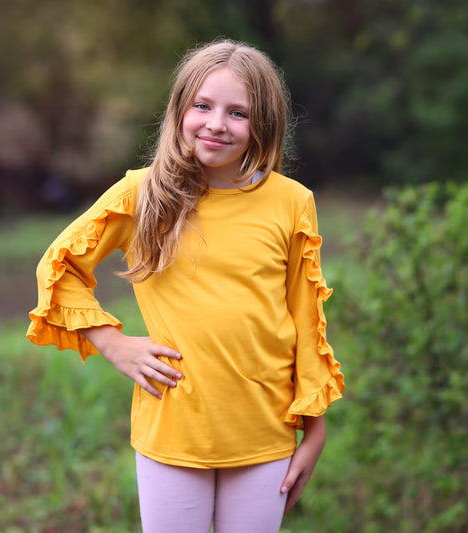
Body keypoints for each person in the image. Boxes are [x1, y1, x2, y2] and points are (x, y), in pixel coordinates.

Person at [27, 38, 344, 533]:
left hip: (265, 430)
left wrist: (316, 430)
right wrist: (115, 346)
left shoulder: (291, 202)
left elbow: (307, 323)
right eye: (203, 105)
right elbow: (58, 267)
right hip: (173, 426)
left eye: (237, 112)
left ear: (262, 125)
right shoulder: (142, 193)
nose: (216, 123)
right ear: (179, 110)